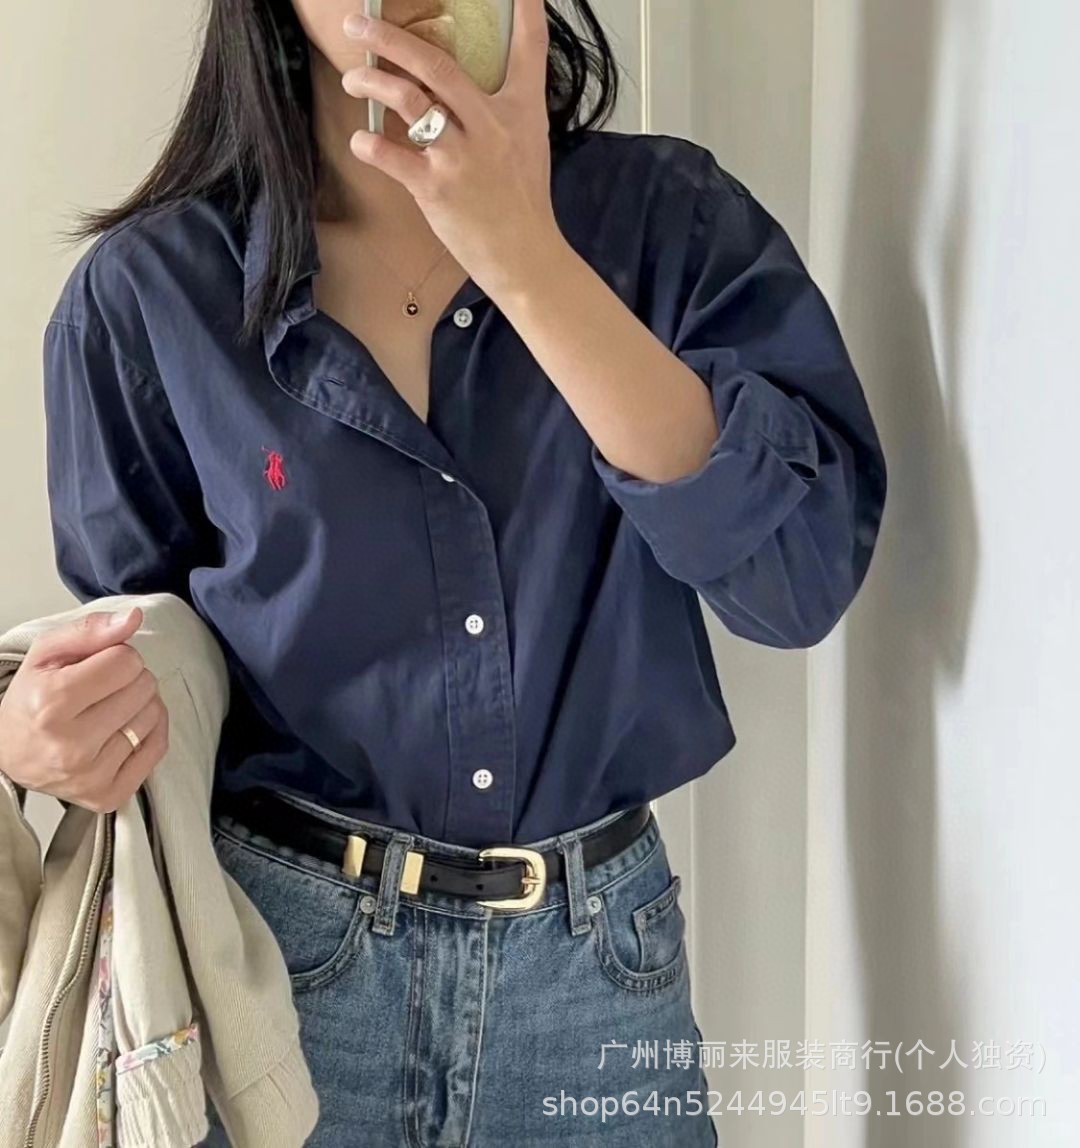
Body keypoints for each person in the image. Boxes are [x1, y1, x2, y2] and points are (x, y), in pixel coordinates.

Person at [1, 0, 887, 1143]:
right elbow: (142, 668)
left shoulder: (667, 224)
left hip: (596, 989)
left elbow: (795, 578)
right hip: (274, 987)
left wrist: (526, 258)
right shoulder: (149, 297)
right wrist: (39, 733)